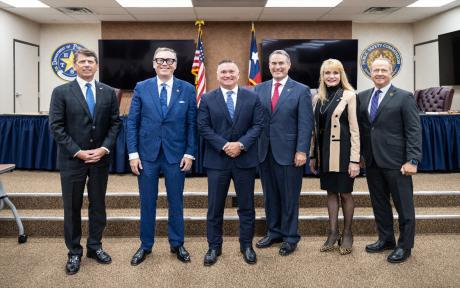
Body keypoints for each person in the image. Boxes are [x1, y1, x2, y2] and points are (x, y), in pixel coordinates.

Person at [49, 48, 121, 275]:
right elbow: (56, 127)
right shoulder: (61, 92)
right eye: (82, 62)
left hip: (100, 159)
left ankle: (95, 246)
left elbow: (115, 124)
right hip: (73, 160)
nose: (87, 65)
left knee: (98, 205)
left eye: (91, 61)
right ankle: (74, 252)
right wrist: (78, 151)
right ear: (75, 65)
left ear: (97, 65)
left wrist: (103, 148)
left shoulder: (108, 92)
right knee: (72, 207)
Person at [126, 47, 197, 266]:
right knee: (147, 202)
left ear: (176, 64)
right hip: (147, 155)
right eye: (160, 60)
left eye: (169, 60)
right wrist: (133, 154)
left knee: (176, 202)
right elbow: (132, 123)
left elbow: (191, 124)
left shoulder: (187, 89)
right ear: (154, 63)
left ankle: (177, 243)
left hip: (176, 156)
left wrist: (190, 153)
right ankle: (145, 245)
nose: (164, 63)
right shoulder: (141, 87)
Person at [197, 60, 264, 266]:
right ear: (217, 76)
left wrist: (241, 145)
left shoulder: (252, 97)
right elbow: (203, 126)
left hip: (245, 160)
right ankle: (214, 247)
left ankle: (246, 245)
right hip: (218, 161)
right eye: (223, 72)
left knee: (247, 207)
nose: (227, 75)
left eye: (231, 71)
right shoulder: (207, 98)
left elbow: (258, 124)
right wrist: (225, 145)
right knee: (214, 207)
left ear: (238, 74)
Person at [357, 57, 422, 263]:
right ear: (370, 73)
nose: (379, 73)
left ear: (391, 72)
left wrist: (412, 160)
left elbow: (414, 130)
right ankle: (386, 239)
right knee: (379, 203)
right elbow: (362, 129)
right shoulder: (363, 97)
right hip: (373, 161)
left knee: (404, 206)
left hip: (397, 162)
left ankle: (405, 246)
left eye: (383, 70)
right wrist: (360, 156)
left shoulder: (404, 97)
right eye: (375, 70)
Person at [254, 50, 314, 256]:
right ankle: (274, 232)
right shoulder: (258, 89)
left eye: (281, 63)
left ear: (289, 66)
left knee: (289, 197)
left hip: (290, 153)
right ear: (268, 66)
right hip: (264, 153)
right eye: (273, 63)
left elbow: (306, 124)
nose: (277, 67)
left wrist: (302, 151)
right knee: (270, 196)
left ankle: (290, 237)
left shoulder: (301, 90)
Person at [309, 59, 360, 255]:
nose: (331, 77)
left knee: (345, 193)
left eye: (335, 73)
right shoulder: (317, 98)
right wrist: (313, 155)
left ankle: (347, 233)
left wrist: (355, 160)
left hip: (344, 153)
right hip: (325, 153)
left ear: (341, 75)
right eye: (327, 73)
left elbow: (355, 130)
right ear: (322, 76)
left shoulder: (349, 95)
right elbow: (315, 131)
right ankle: (332, 232)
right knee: (330, 192)